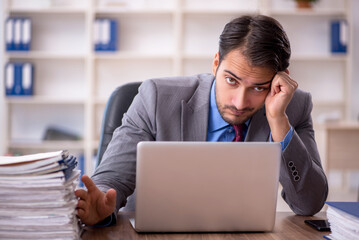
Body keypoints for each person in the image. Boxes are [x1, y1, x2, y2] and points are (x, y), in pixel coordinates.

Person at [75, 15, 328, 226]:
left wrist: (277, 121)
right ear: (216, 63)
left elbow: (308, 204)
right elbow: (113, 178)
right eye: (231, 80)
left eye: (258, 88)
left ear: (279, 81)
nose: (240, 102)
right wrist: (101, 206)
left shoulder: (293, 108)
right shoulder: (155, 97)